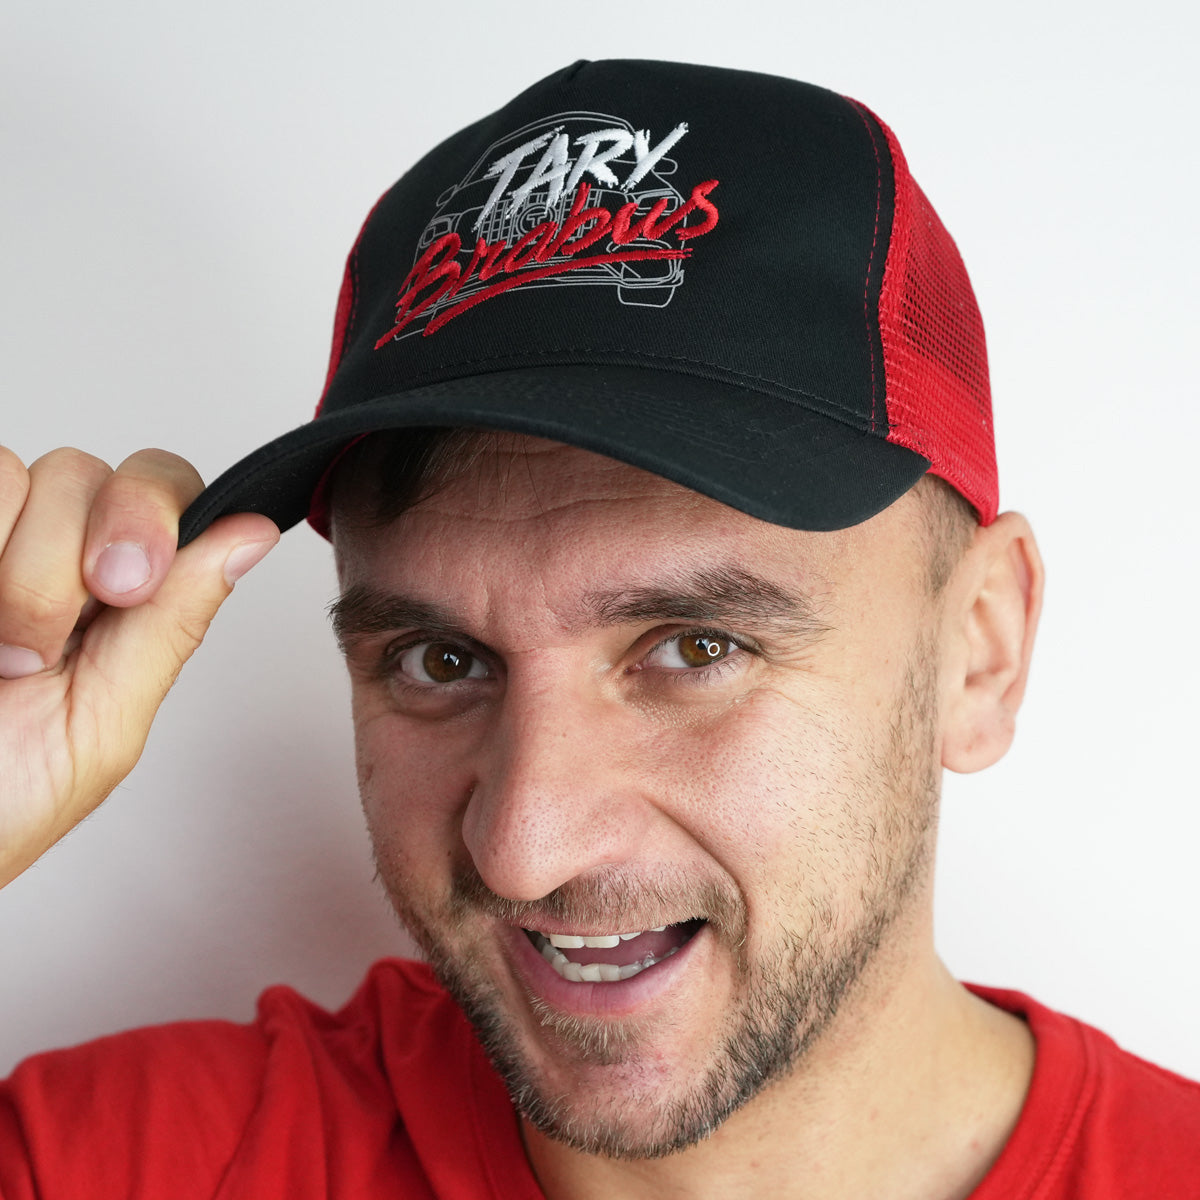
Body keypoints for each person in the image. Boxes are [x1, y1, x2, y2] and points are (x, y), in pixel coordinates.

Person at [0, 58, 1197, 1200]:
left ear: (981, 650)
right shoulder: (116, 1164)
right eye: (440, 661)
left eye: (695, 646)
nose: (524, 849)